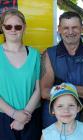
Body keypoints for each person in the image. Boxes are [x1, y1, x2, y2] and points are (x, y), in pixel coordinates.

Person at [40, 11, 83, 128]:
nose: (70, 32)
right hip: (53, 117)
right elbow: (44, 91)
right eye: (66, 28)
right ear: (59, 29)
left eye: (74, 27)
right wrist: (80, 91)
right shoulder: (48, 54)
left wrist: (63, 88)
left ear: (82, 28)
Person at [0, 9, 41, 140]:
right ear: (2, 28)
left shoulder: (35, 54)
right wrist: (14, 114)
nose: (13, 30)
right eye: (8, 26)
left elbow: (38, 89)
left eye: (17, 26)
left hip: (31, 115)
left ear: (24, 27)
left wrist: (24, 116)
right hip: (3, 117)